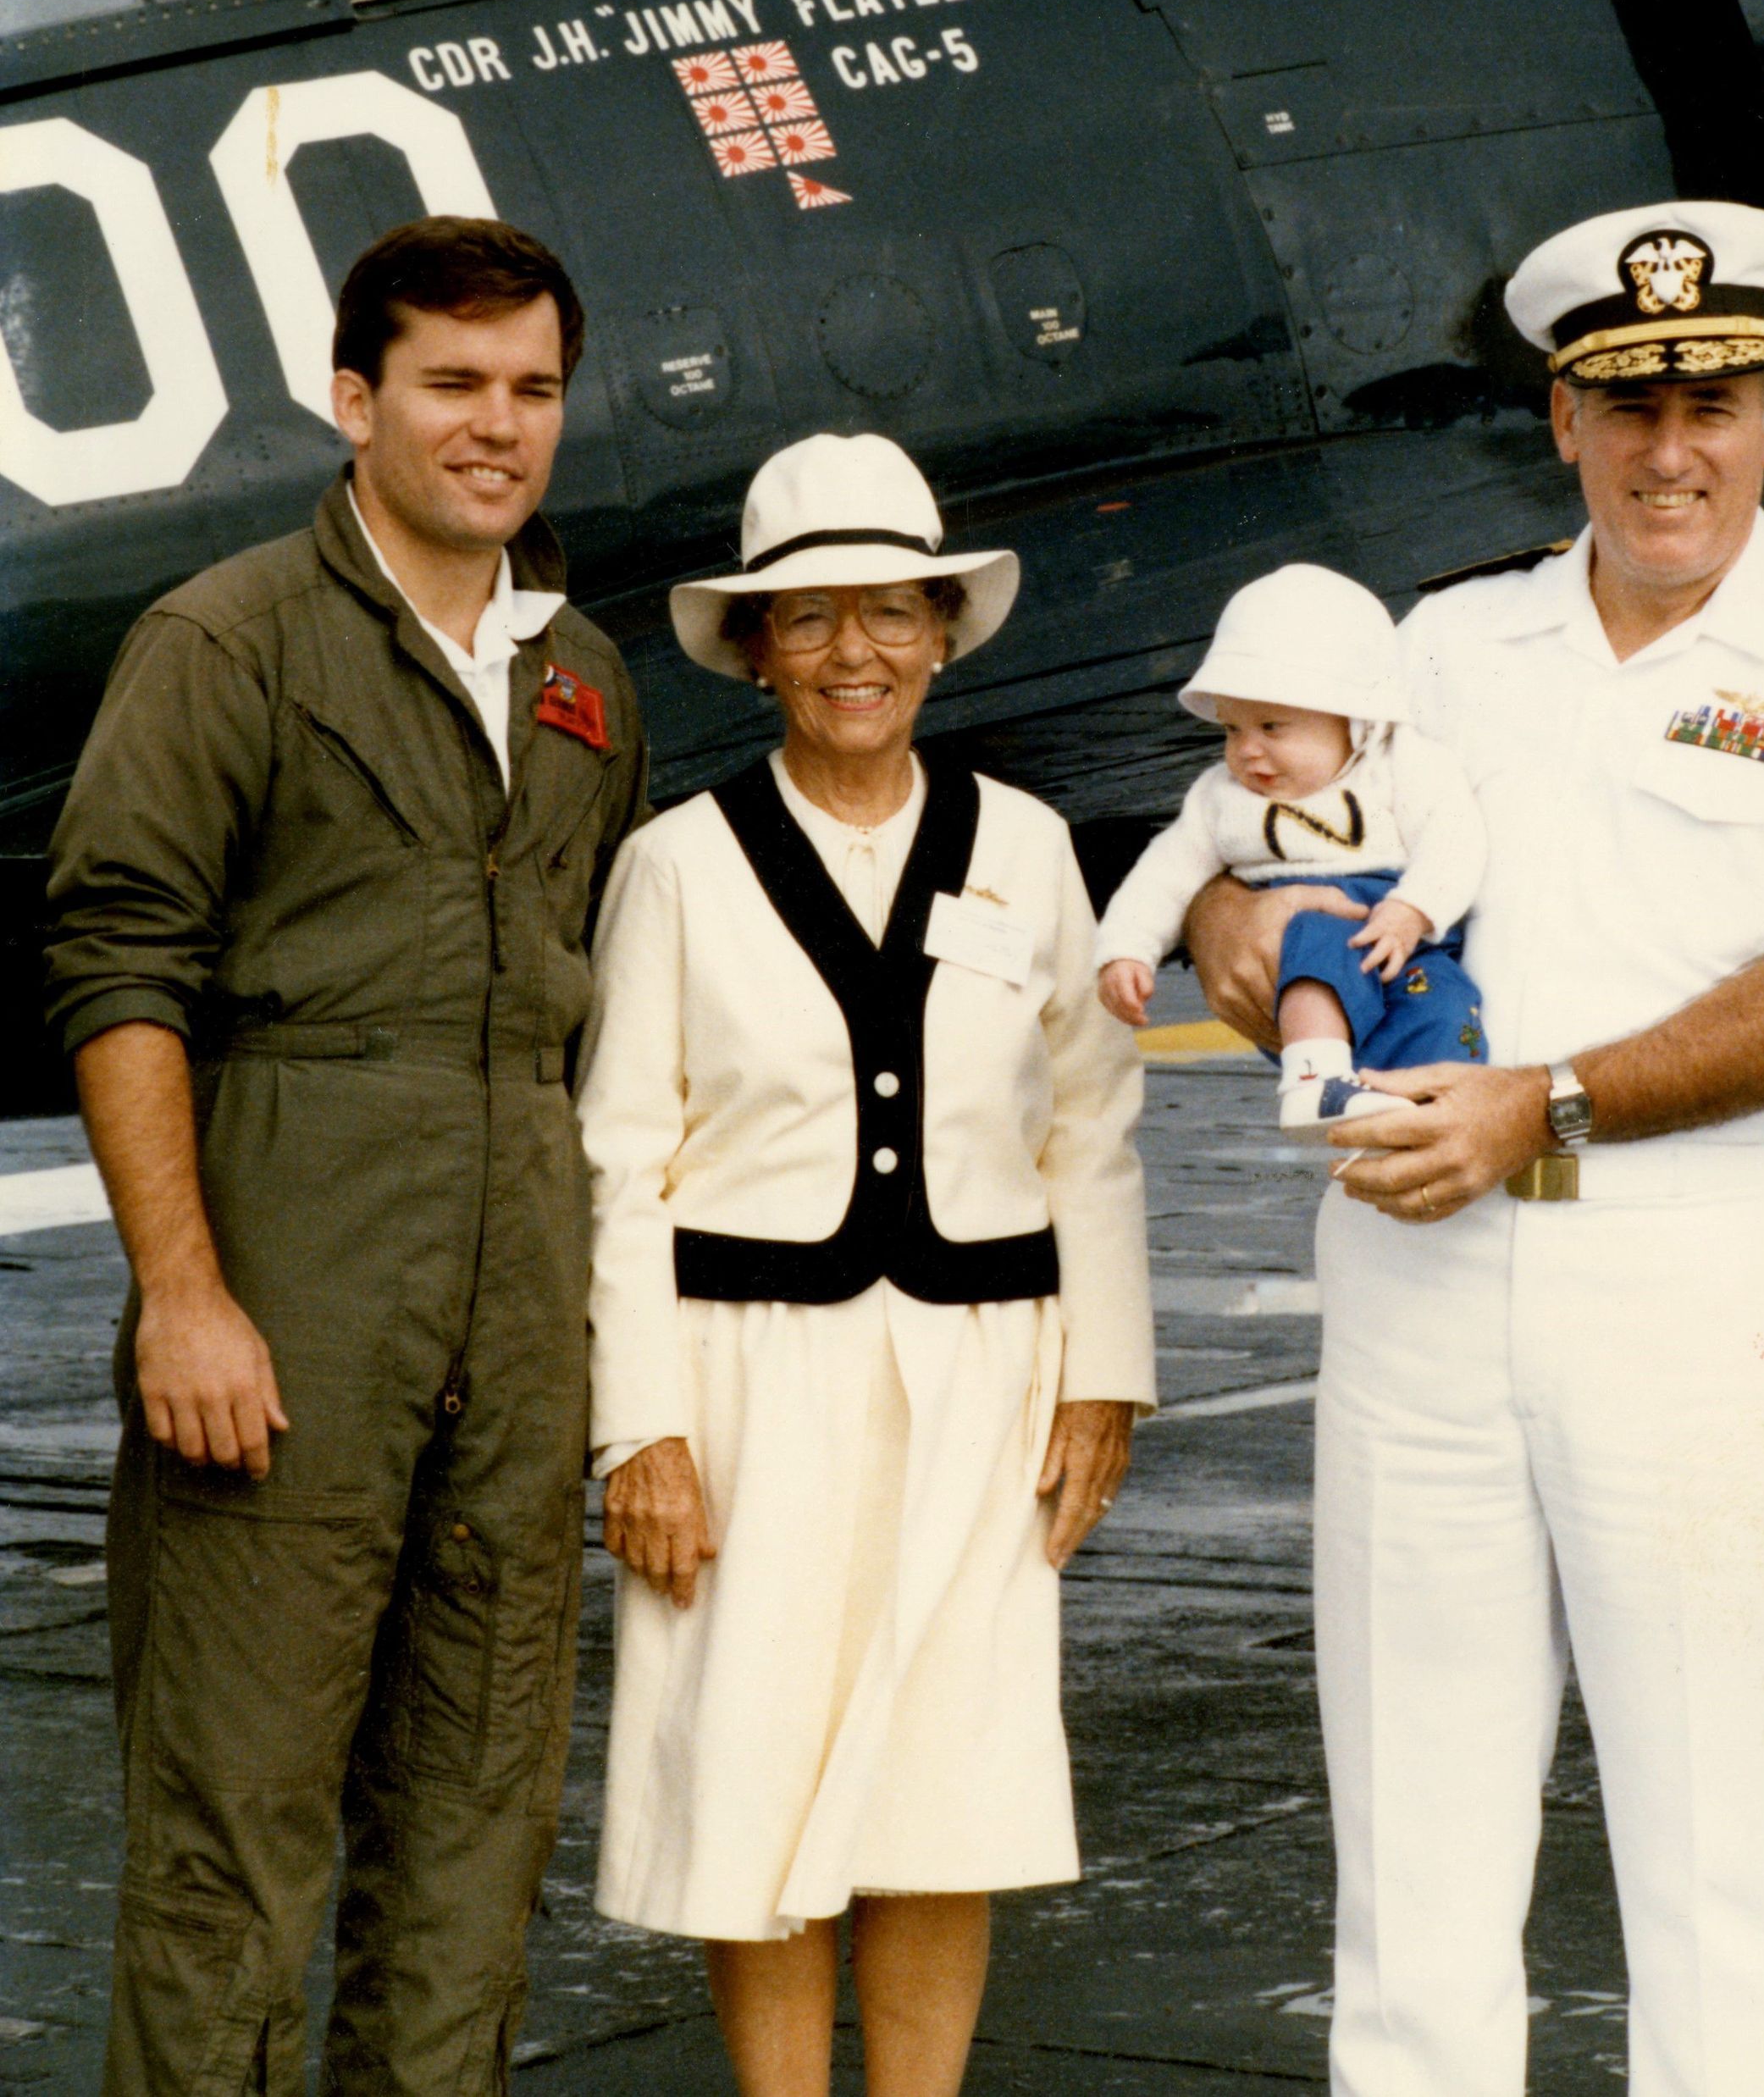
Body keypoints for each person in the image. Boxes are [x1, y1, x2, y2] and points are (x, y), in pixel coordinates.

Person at [1185, 200, 1764, 2097]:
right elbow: (1245, 884)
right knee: (1412, 1845)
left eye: (1714, 398)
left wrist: (1548, 1100)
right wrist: (1251, 955)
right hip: (1423, 1261)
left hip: (1694, 1272)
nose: (1671, 449)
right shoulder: (1441, 650)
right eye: (1627, 407)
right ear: (1561, 422)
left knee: (1714, 1848)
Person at [43, 217, 647, 2094]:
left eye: (533, 388)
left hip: (516, 1312)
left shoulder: (590, 683)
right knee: (233, 1852)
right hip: (291, 1293)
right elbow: (118, 963)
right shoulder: (227, 641)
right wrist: (184, 1292)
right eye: (454, 385)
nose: (499, 428)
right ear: (354, 399)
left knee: (475, 1844)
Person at [575, 430, 1154, 2097]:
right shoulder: (674, 866)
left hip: (985, 1373)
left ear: (945, 631)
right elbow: (619, 1161)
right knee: (755, 1775)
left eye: (892, 613)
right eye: (813, 618)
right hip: (750, 1377)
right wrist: (643, 1430)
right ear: (754, 647)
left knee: (940, 1786)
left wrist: (1104, 1367)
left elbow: (1088, 1127)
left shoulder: (1028, 847)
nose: (857, 655)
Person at [1093, 562, 1486, 1139]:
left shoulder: (1403, 765)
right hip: (1310, 935)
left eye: (1272, 727)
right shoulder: (1221, 799)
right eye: (1231, 730)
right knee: (1317, 942)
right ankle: (1315, 1079)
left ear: (1356, 721)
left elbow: (1454, 837)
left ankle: (1421, 1108)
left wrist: (1415, 908)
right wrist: (1126, 949)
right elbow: (1165, 873)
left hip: (1404, 932)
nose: (1247, 751)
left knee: (1449, 1003)